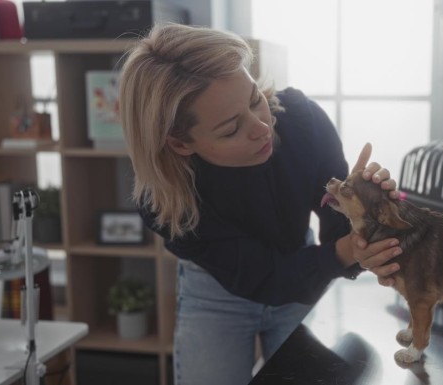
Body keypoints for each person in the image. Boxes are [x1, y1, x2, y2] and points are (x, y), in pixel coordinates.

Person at [119, 23, 402, 385]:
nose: (262, 127)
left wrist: (368, 210)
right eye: (230, 129)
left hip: (304, 274)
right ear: (179, 143)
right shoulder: (167, 202)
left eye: (255, 99)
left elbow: (341, 238)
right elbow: (268, 275)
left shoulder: (303, 123)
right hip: (215, 298)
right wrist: (347, 251)